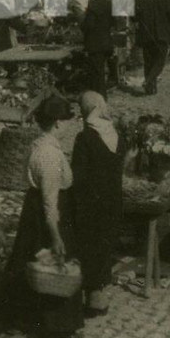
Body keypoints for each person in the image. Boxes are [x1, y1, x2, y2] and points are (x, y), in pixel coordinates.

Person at [0, 94, 84, 338]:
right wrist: (55, 234)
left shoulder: (39, 145)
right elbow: (50, 200)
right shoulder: (49, 156)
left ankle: (18, 317)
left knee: (28, 259)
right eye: (68, 121)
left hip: (33, 211)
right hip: (49, 214)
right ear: (57, 123)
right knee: (55, 264)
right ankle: (58, 323)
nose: (69, 126)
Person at [71, 92, 124, 316]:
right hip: (113, 198)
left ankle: (93, 299)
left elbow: (79, 175)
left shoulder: (85, 138)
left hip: (91, 201)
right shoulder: (115, 134)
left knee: (89, 246)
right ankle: (100, 293)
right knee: (104, 245)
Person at [133, 0, 170, 96]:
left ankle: (150, 89)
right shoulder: (164, 0)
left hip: (146, 35)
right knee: (160, 61)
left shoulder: (142, 1)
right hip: (161, 35)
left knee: (148, 61)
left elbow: (135, 17)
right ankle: (149, 80)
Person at [82, 0, 114, 95]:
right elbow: (114, 22)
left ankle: (100, 96)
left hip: (95, 43)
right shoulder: (110, 4)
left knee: (97, 72)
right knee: (101, 69)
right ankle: (101, 94)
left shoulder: (93, 6)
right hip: (107, 41)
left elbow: (88, 26)